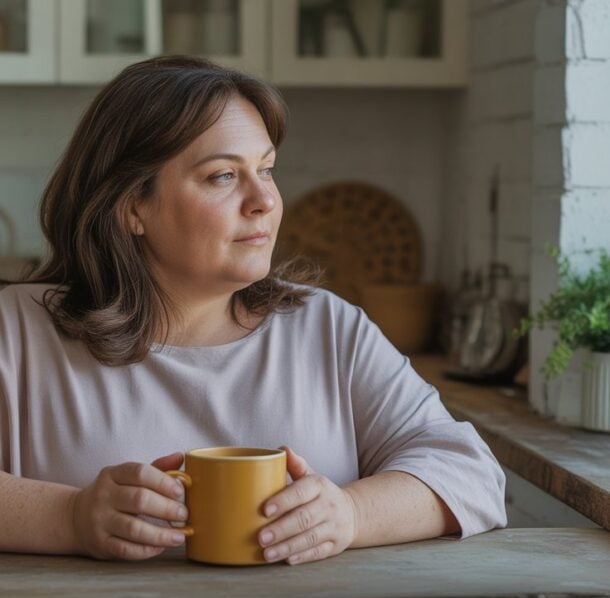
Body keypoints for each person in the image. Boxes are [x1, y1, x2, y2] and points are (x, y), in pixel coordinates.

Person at [0, 56, 506, 565]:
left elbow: (471, 472)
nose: (264, 199)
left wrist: (350, 515)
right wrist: (69, 517)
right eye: (223, 175)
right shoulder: (17, 331)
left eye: (266, 169)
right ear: (133, 205)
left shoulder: (329, 328)